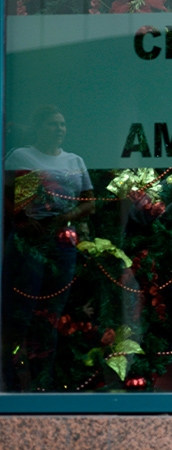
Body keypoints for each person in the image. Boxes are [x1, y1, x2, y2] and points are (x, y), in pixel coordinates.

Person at [3, 105, 95, 390]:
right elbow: (11, 199)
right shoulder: (23, 157)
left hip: (63, 243)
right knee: (22, 310)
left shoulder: (74, 160)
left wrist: (67, 217)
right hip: (30, 242)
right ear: (38, 128)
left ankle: (44, 380)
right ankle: (12, 380)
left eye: (62, 124)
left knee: (52, 313)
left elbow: (89, 202)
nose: (59, 129)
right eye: (52, 124)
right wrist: (24, 221)